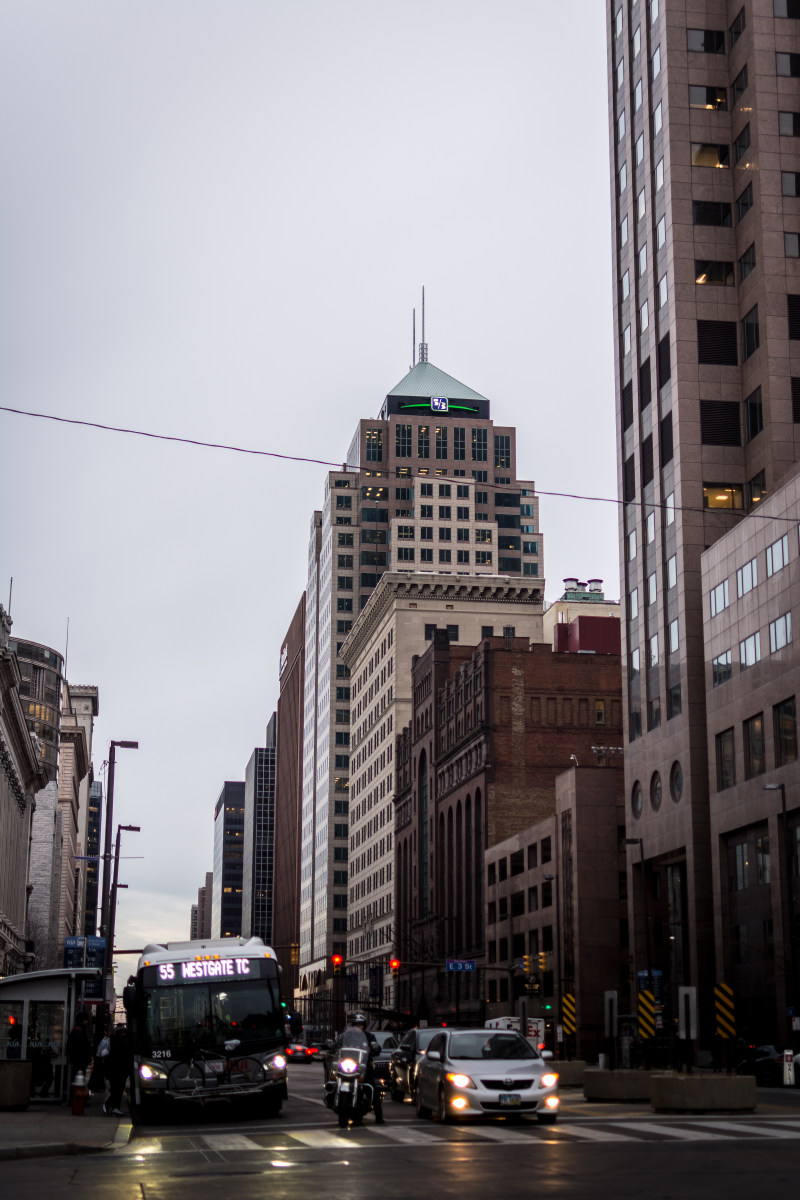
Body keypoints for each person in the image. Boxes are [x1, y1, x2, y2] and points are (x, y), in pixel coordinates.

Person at [344, 1012, 384, 1124]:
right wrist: (334, 1046)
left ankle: (379, 1116)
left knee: (373, 1089)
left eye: (360, 1024)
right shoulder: (347, 1036)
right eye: (356, 1024)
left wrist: (375, 1049)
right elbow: (339, 1043)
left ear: (364, 1025)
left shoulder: (370, 1036)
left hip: (364, 1067)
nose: (358, 1027)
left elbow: (376, 1046)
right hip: (349, 1065)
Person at [103, 1023, 129, 1117]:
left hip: (117, 1070)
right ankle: (112, 1106)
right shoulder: (120, 1041)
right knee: (117, 1089)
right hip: (118, 1070)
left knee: (117, 1089)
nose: (123, 1034)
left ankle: (114, 1107)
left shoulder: (114, 1040)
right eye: (122, 1032)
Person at [66, 1012, 92, 1080]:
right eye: (86, 1020)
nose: (87, 1022)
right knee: (78, 1080)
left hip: (78, 1061)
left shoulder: (77, 1030)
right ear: (83, 1020)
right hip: (79, 1061)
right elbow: (81, 1047)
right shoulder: (79, 1031)